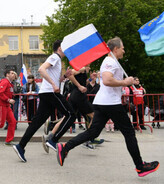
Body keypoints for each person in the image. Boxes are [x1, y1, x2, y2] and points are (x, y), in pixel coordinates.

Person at [56, 37, 159, 177]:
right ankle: (140, 166)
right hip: (110, 103)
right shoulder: (111, 62)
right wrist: (124, 82)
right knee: (129, 132)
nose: (124, 50)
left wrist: (126, 82)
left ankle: (65, 147)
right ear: (115, 49)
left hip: (102, 102)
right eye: (122, 47)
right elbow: (107, 80)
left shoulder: (112, 61)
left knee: (93, 132)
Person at [13, 40, 73, 162]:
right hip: (51, 93)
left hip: (46, 93)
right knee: (71, 114)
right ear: (60, 48)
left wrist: (65, 76)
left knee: (36, 122)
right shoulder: (55, 57)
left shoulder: (57, 60)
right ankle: (53, 140)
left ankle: (20, 146)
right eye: (65, 47)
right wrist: (53, 84)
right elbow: (41, 69)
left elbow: (56, 79)